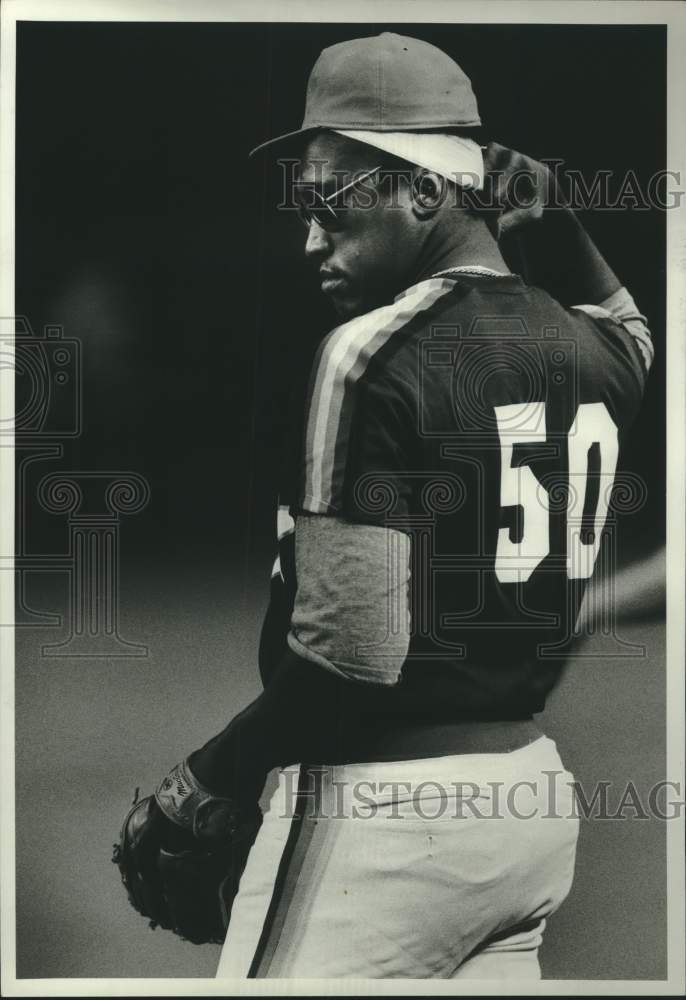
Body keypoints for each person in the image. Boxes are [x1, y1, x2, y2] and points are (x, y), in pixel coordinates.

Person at [154, 32, 653, 979]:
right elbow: (632, 331)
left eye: (330, 202)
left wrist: (212, 774)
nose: (309, 235)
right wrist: (553, 210)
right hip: (529, 809)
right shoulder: (591, 354)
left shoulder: (371, 350)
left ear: (426, 193)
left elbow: (352, 663)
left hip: (382, 820)